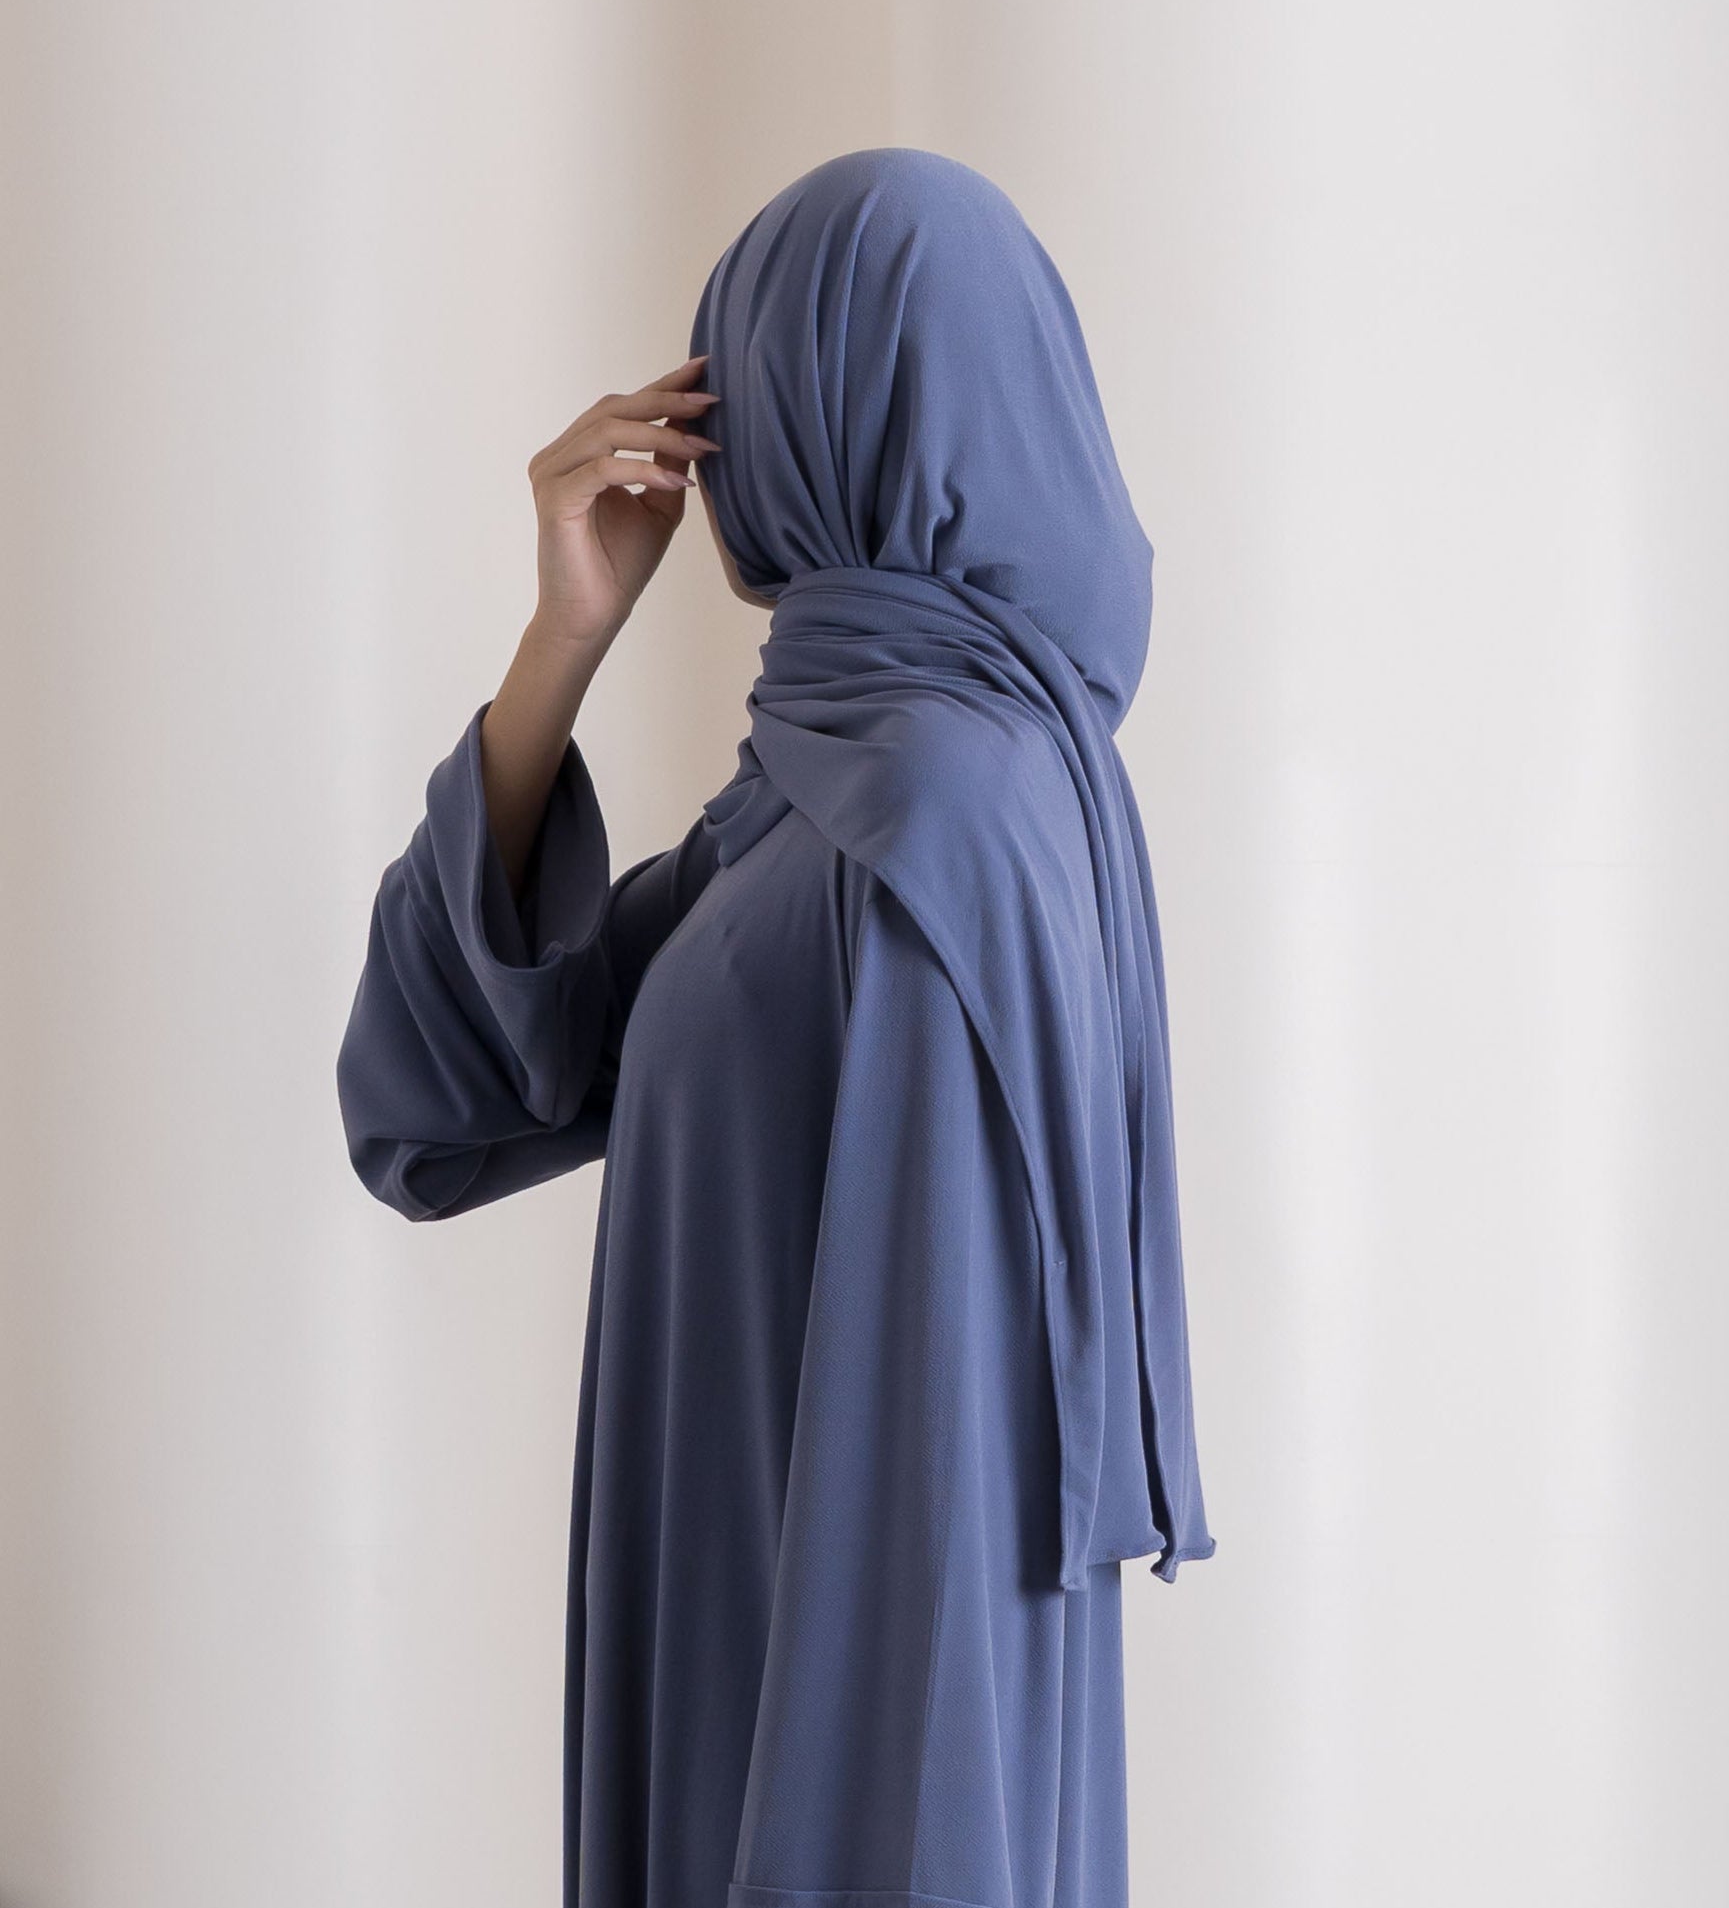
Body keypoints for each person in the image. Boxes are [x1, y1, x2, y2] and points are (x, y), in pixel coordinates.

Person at [336, 145, 1215, 1908]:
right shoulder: (822, 797)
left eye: (749, 367)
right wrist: (560, 641)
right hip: (737, 1698)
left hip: (826, 1781)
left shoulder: (939, 822)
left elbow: (932, 1499)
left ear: (836, 403)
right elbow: (440, 1101)